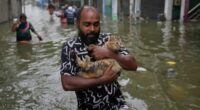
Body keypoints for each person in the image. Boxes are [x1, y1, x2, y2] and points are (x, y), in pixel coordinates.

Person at [60, 6, 138, 110]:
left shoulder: (109, 39)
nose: (92, 29)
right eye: (87, 24)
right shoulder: (70, 47)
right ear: (77, 24)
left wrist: (108, 53)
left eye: (96, 24)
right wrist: (102, 80)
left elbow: (133, 65)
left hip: (117, 105)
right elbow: (67, 83)